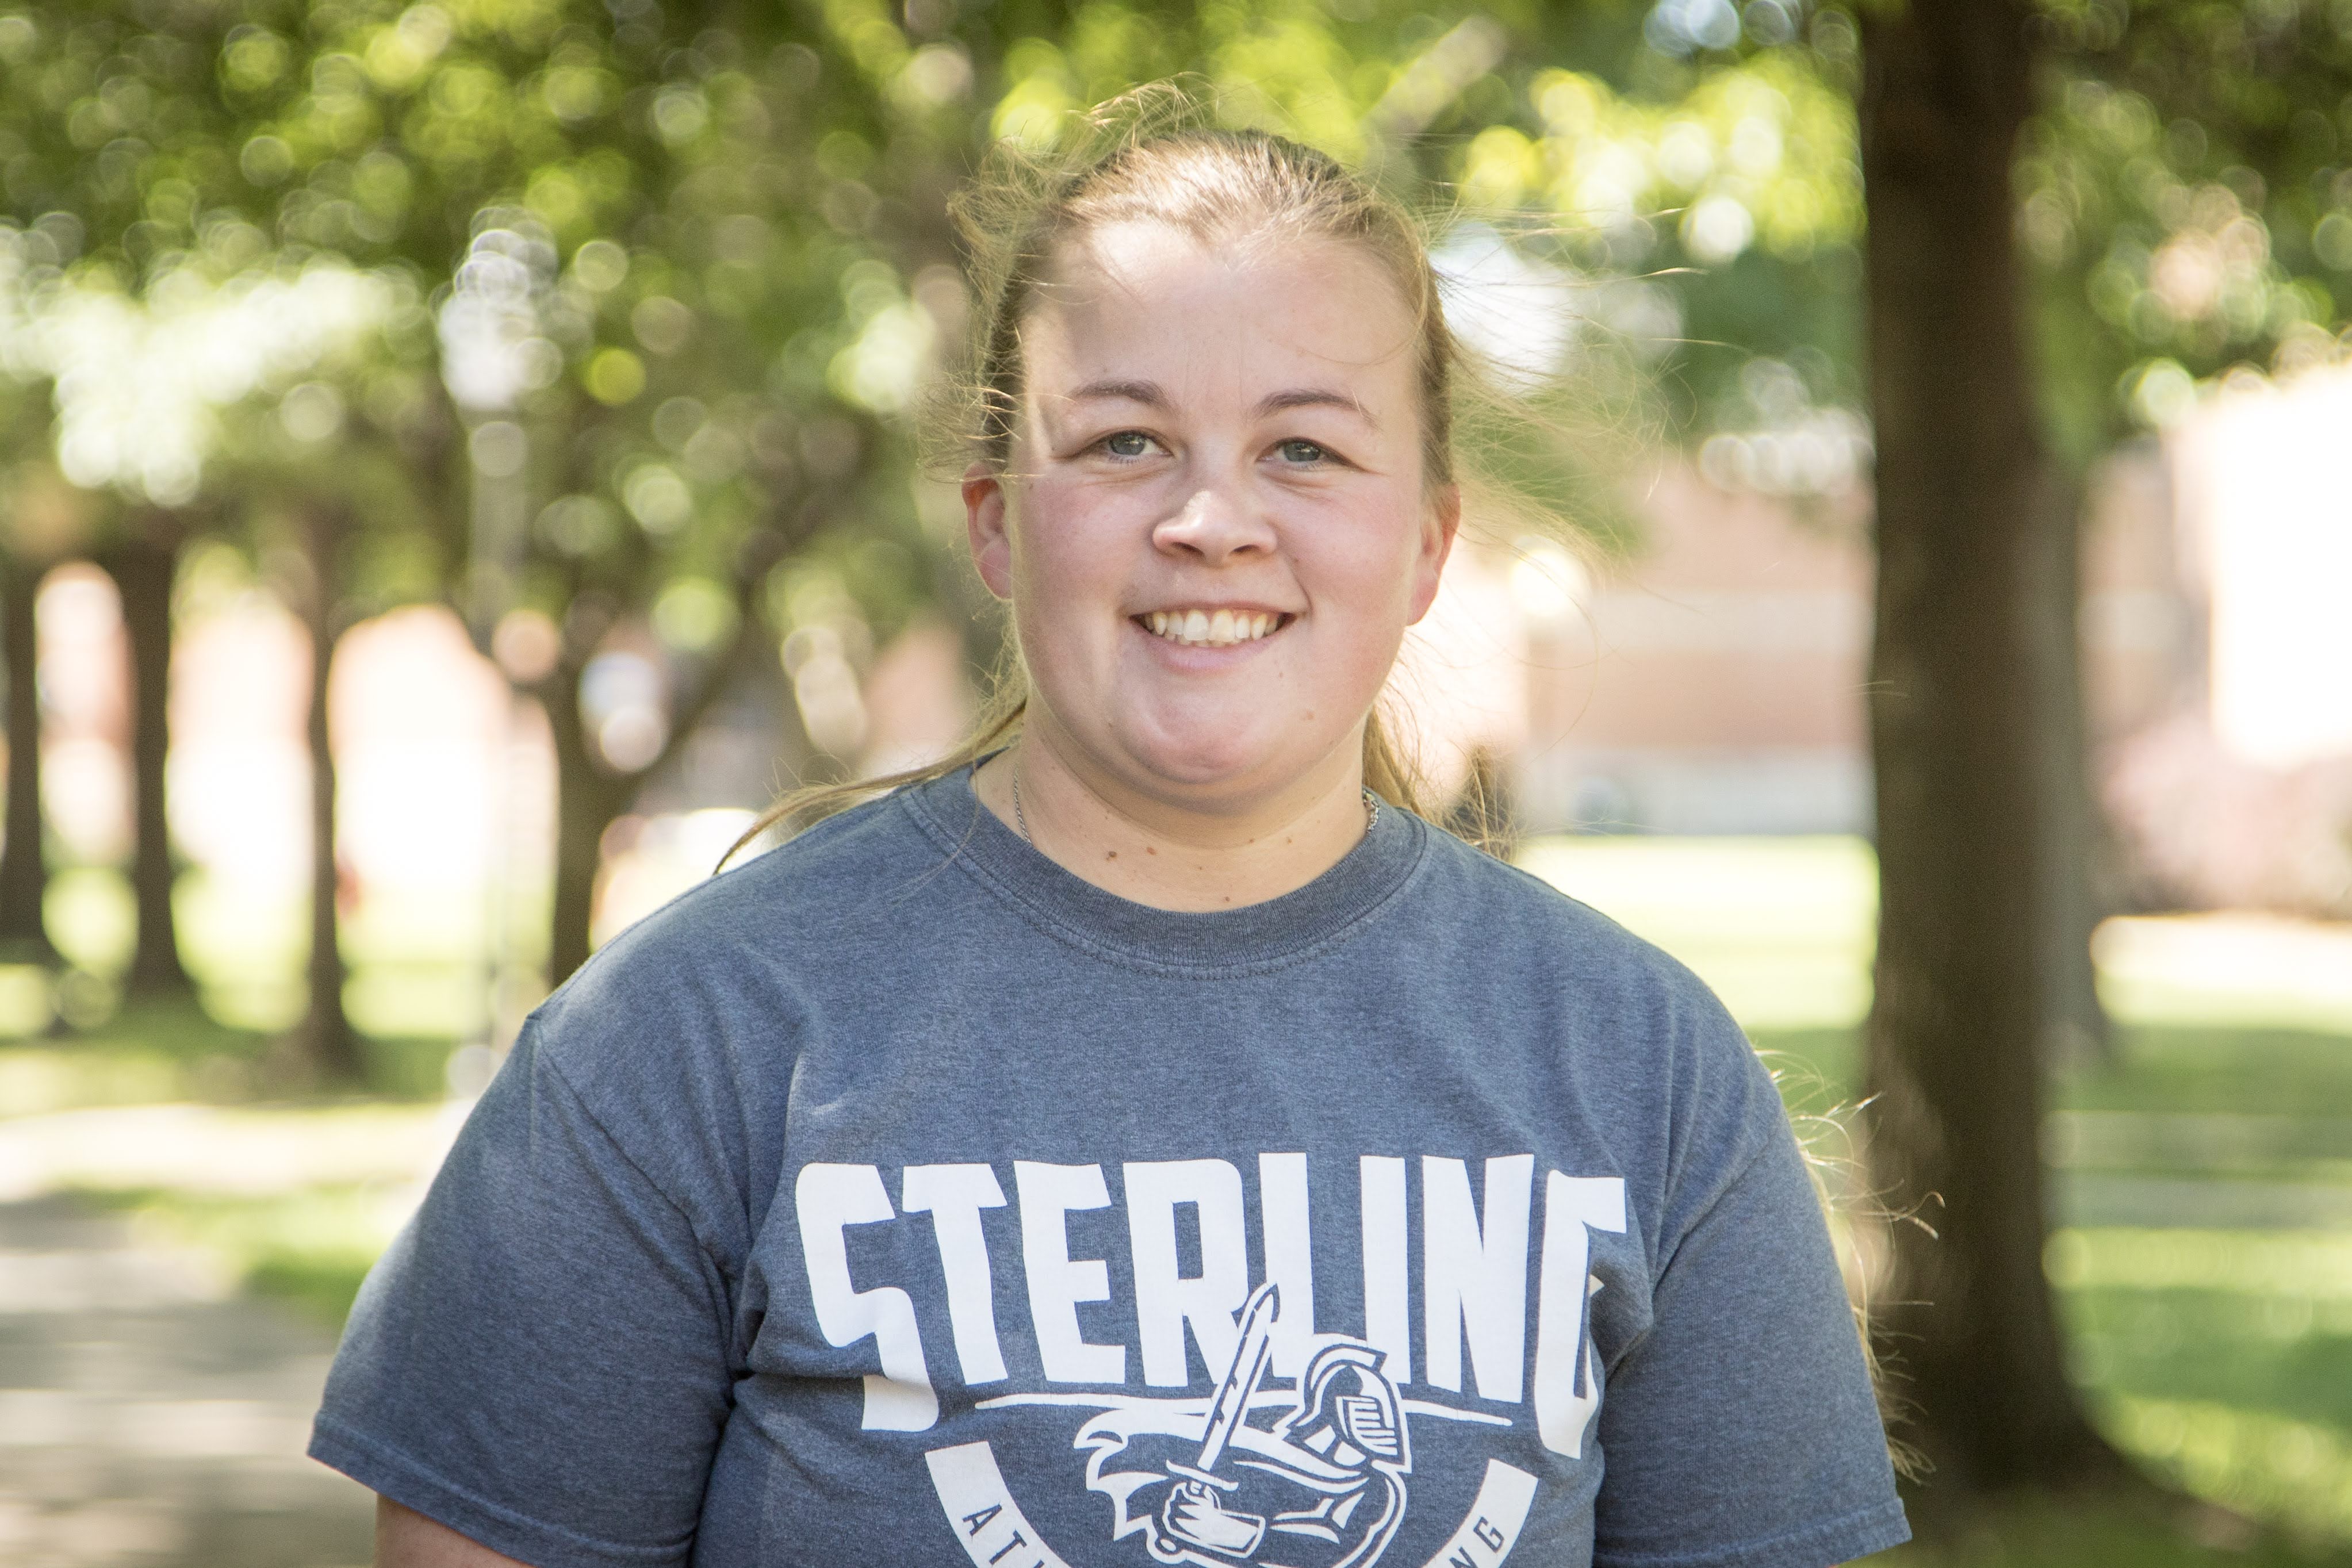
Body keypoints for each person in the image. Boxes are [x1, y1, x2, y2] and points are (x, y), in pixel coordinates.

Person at [313, 114, 1910, 1568]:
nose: (1209, 516)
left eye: (1304, 447)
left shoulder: (1638, 1067)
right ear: (1000, 522)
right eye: (1125, 441)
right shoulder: (694, 1040)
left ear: (1424, 547)